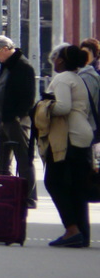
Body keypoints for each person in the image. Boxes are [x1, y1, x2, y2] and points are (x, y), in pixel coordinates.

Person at [40, 44, 92, 247]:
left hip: (67, 137)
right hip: (82, 135)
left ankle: (71, 229)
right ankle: (81, 233)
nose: (53, 61)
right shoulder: (77, 78)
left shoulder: (62, 79)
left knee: (54, 181)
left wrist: (43, 106)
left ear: (60, 60)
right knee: (77, 187)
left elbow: (63, 107)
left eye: (55, 58)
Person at [0, 35, 38, 207]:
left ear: (5, 49)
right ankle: (5, 193)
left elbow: (28, 97)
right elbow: (3, 89)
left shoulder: (23, 67)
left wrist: (17, 116)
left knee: (23, 159)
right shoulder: (7, 66)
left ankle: (29, 197)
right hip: (4, 119)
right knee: (2, 160)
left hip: (16, 120)